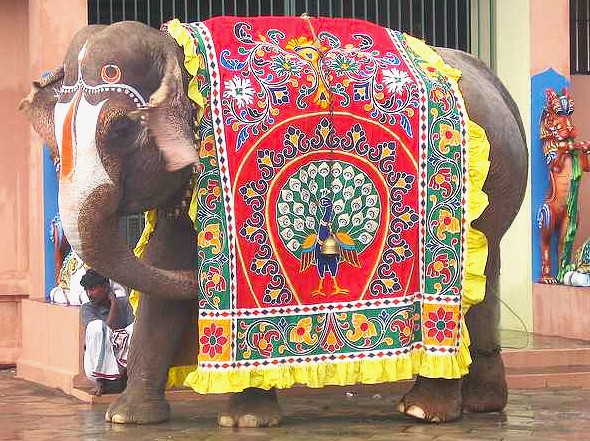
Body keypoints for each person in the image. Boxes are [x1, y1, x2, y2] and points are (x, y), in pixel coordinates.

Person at [80, 269, 134, 396]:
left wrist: (114, 302)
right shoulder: (87, 308)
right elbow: (106, 331)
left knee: (135, 327)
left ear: (105, 287)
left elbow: (131, 331)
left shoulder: (125, 303)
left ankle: (132, 380)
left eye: (92, 289)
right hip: (96, 370)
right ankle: (101, 382)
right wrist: (114, 303)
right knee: (98, 326)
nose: (89, 294)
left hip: (121, 364)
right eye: (87, 290)